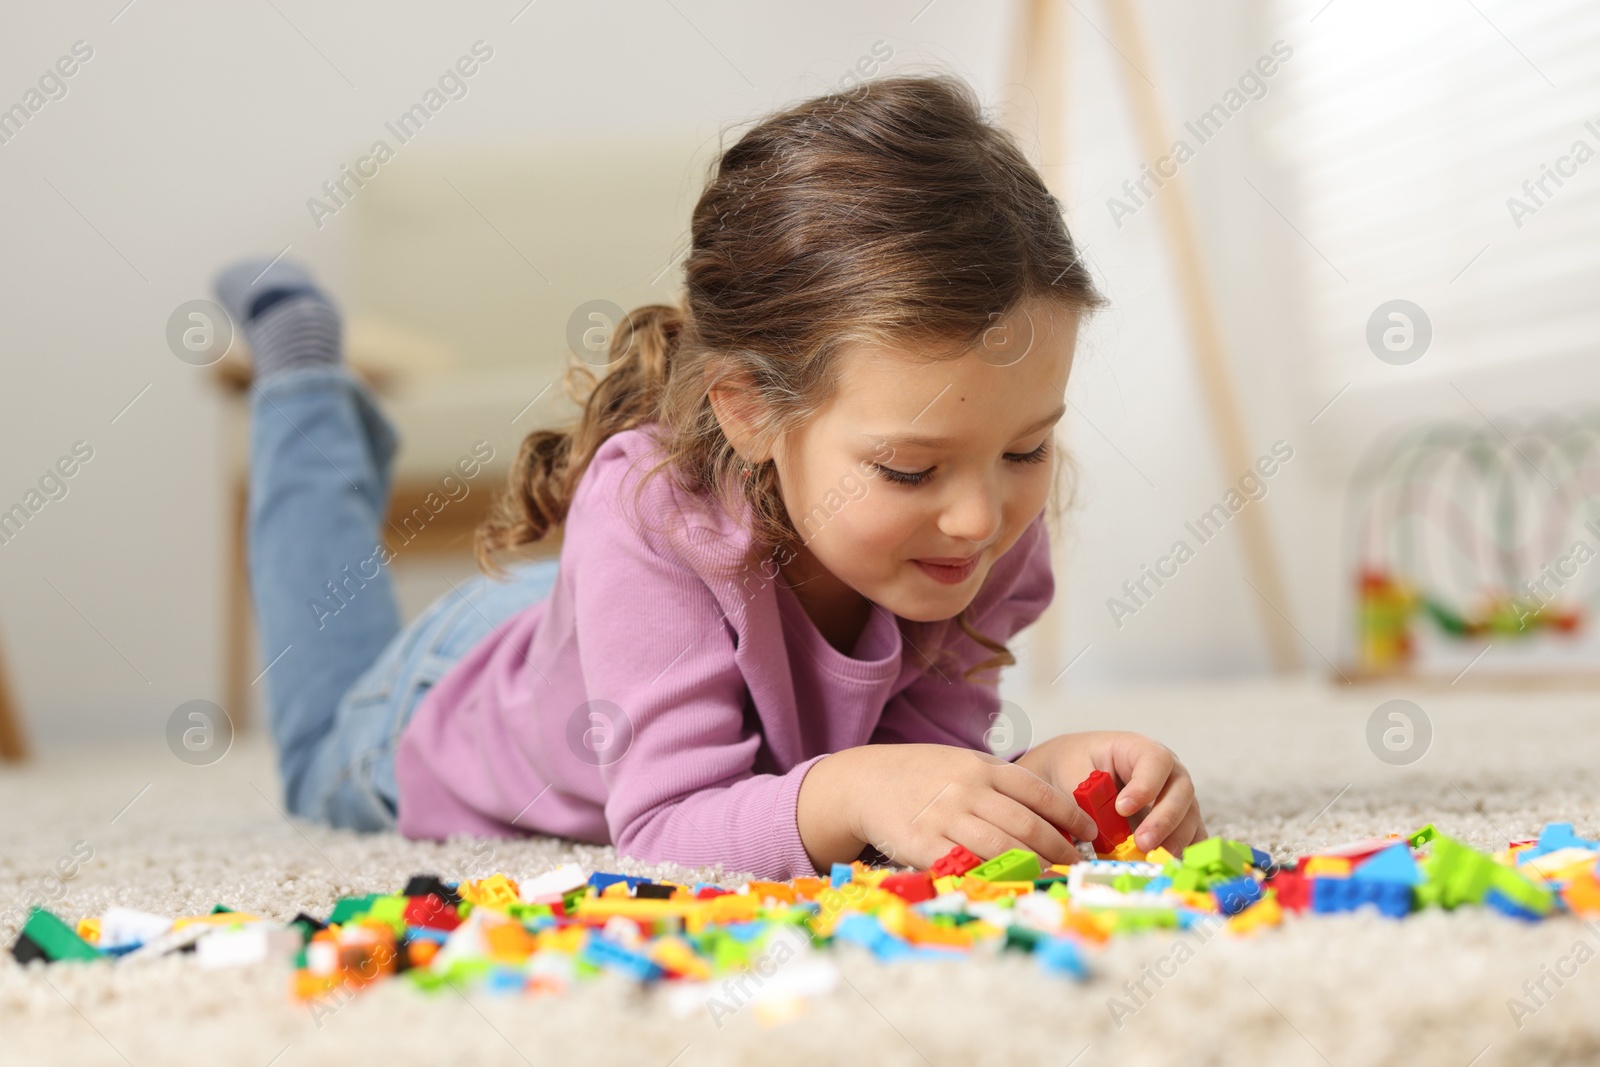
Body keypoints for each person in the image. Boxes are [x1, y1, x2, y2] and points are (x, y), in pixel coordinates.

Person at [221, 73, 1205, 881]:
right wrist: (856, 790)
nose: (982, 518)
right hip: (453, 696)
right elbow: (665, 826)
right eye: (909, 466)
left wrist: (1044, 780)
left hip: (623, 617)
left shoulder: (970, 521)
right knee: (312, 743)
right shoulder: (648, 508)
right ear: (749, 406)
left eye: (1027, 449)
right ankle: (303, 380)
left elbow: (920, 770)